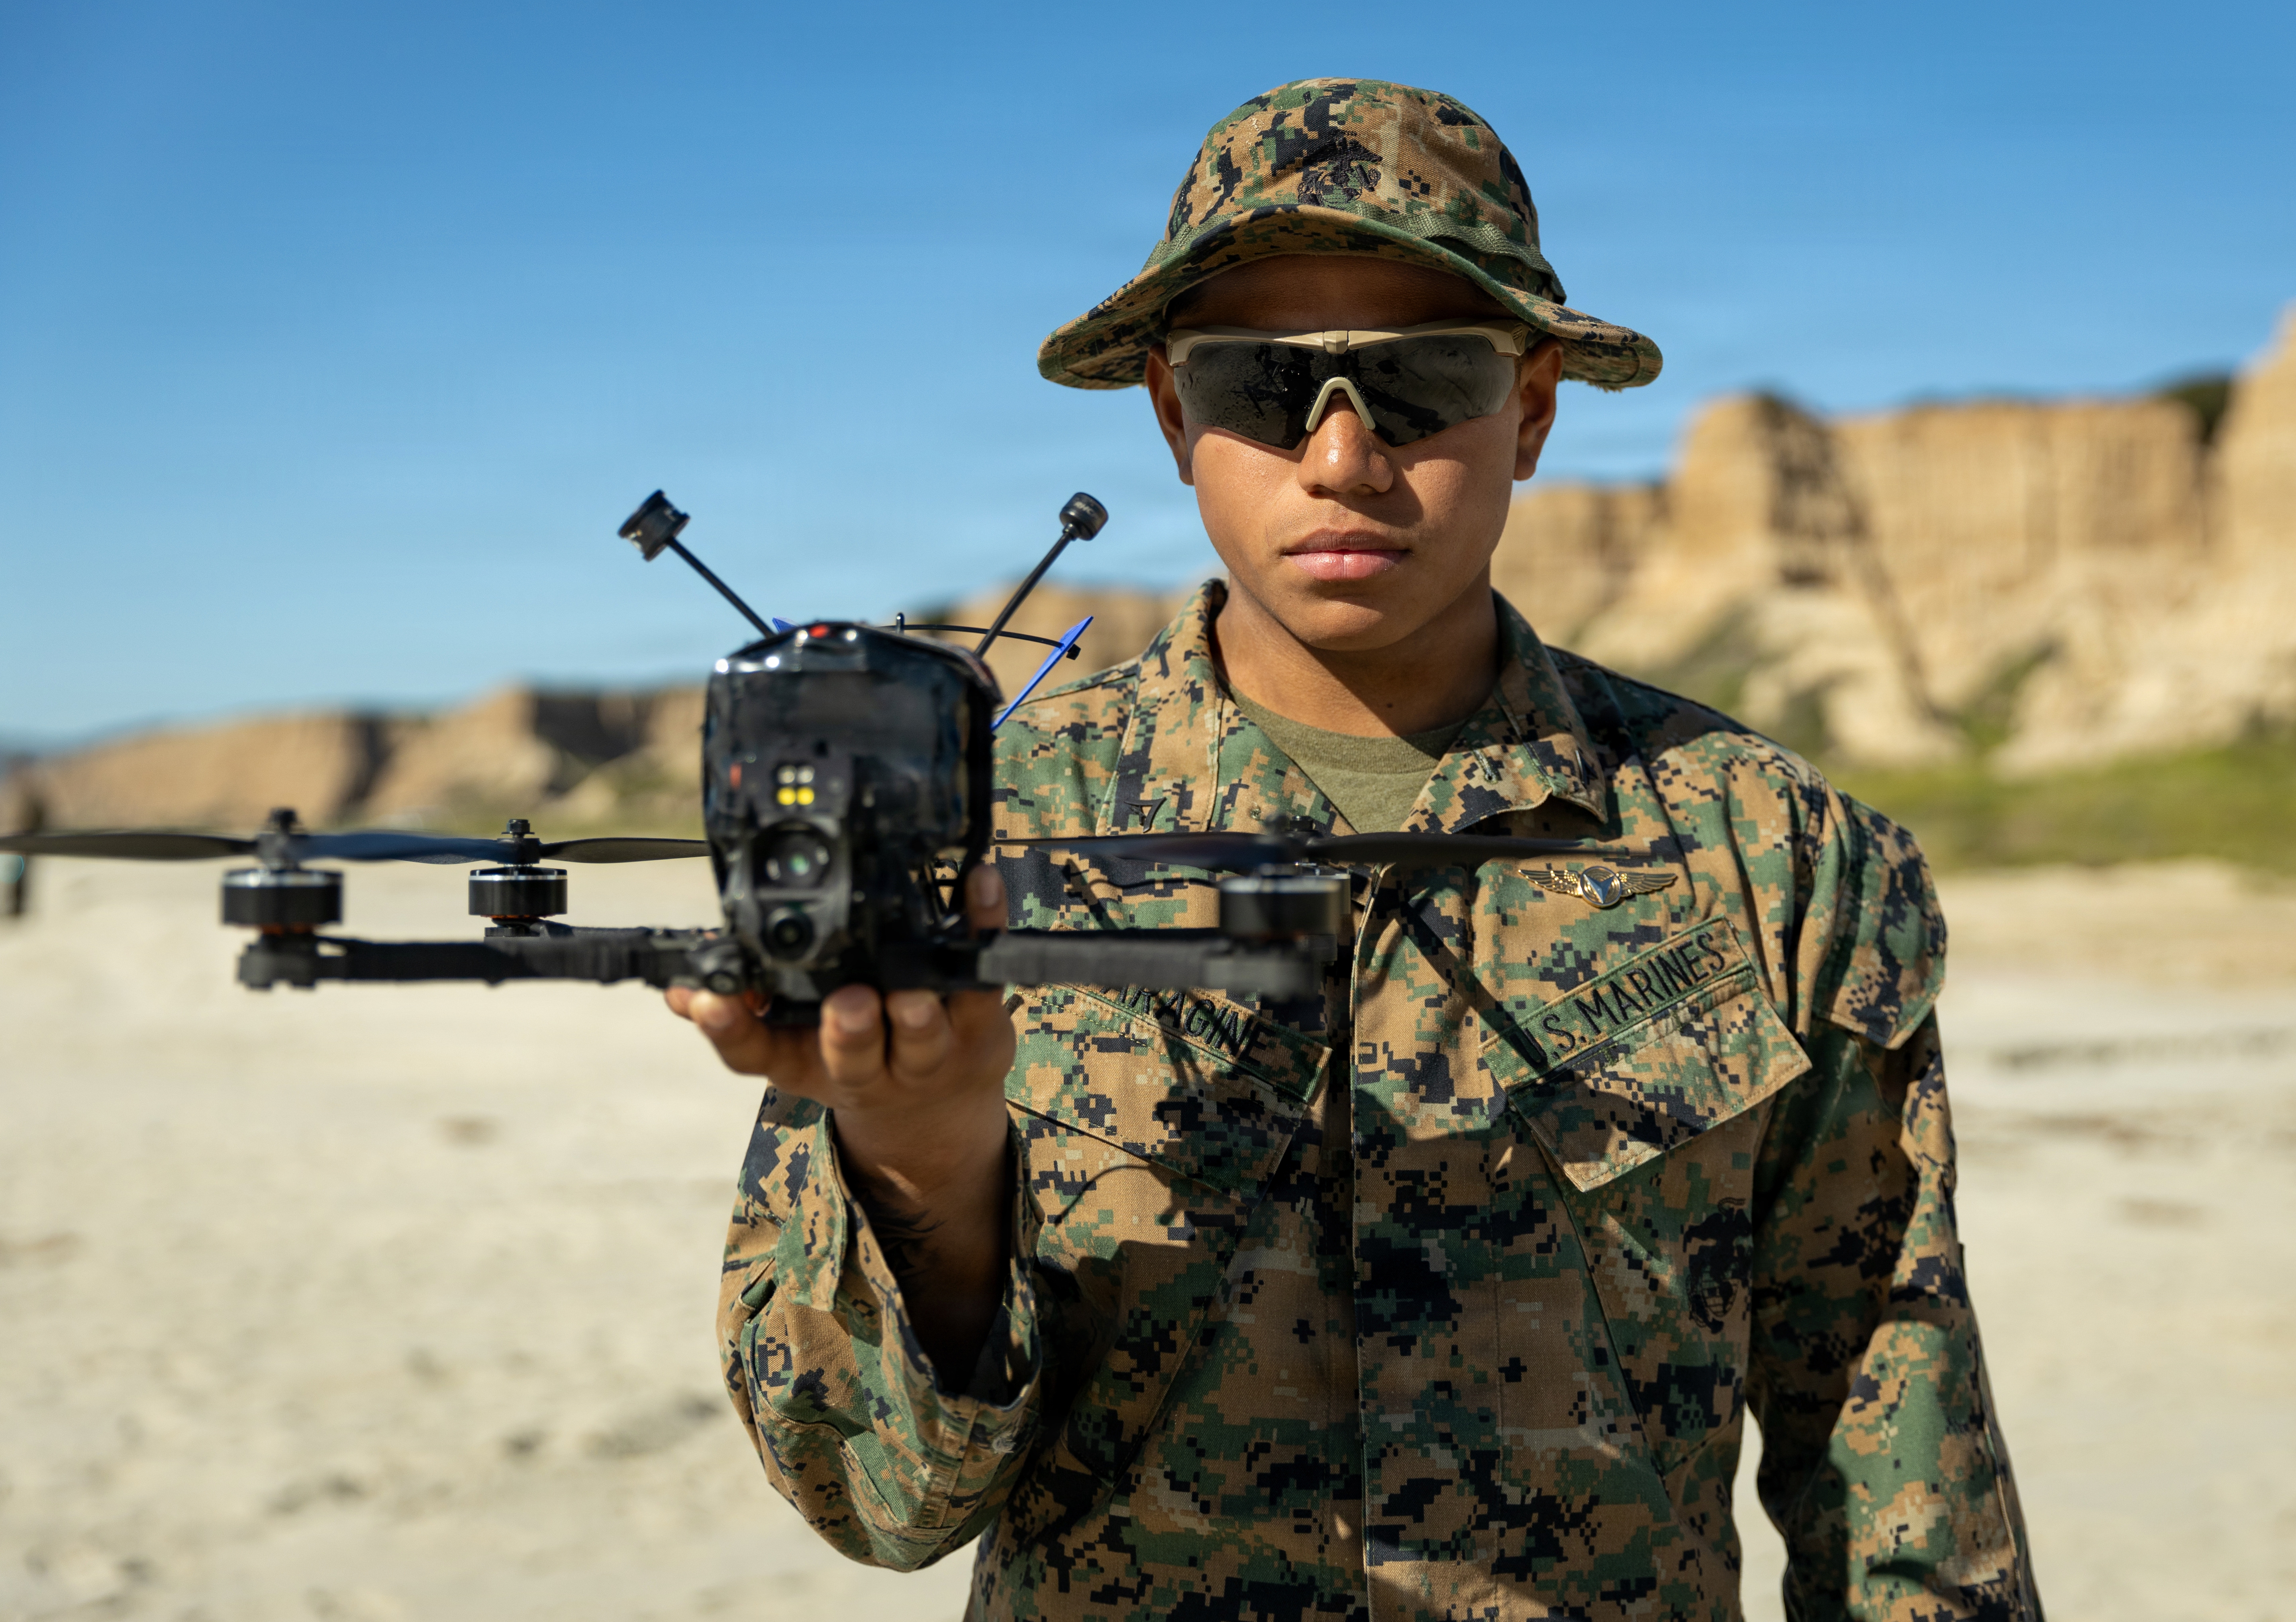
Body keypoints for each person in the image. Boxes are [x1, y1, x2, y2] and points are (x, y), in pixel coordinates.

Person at [669, 78, 2041, 1621]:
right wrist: (924, 1165)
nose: (1339, 457)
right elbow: (873, 1499)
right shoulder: (959, 835)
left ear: (1527, 409)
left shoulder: (1771, 851)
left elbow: (1889, 1433)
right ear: (1174, 417)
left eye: (1418, 380)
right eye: (1264, 384)